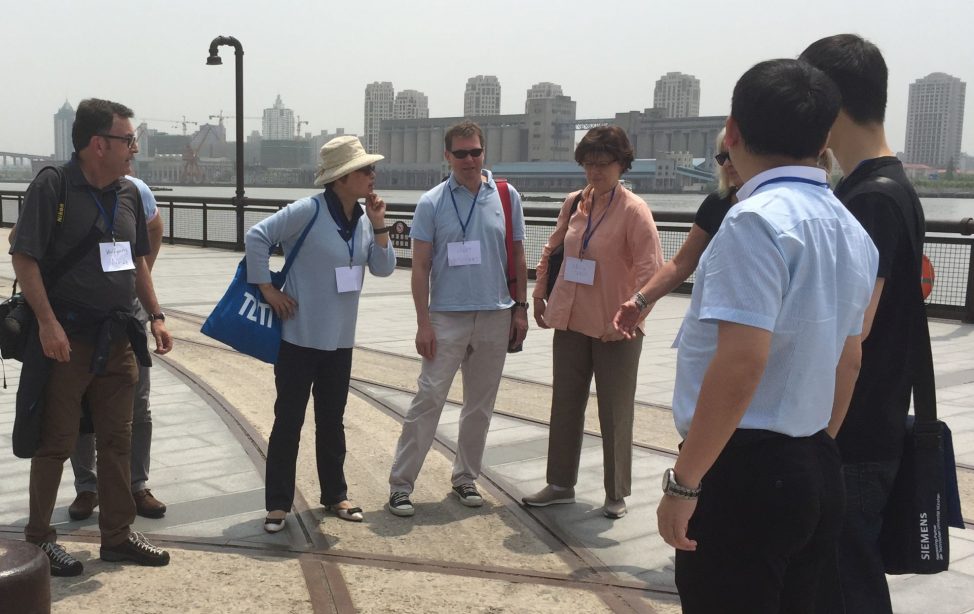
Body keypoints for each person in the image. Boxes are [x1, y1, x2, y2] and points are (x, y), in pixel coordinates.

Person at [655, 60, 878, 613]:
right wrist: (813, 452)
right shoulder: (851, 229)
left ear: (732, 132)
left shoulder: (753, 221)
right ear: (824, 137)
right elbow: (849, 358)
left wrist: (684, 484)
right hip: (815, 461)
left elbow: (740, 364)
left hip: (744, 472)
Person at [11, 98, 174, 576]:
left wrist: (157, 314)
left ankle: (118, 537)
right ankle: (39, 539)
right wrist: (46, 323)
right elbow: (24, 257)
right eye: (128, 140)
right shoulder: (53, 186)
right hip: (68, 340)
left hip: (119, 336)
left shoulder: (127, 193)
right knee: (56, 442)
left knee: (118, 440)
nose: (135, 149)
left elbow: (138, 259)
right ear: (98, 144)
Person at [801, 34, 927, 614]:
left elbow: (852, 333)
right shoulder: (890, 187)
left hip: (850, 438)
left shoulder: (869, 200)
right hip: (871, 425)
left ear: (828, 105)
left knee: (846, 587)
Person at [245, 136, 396, 532]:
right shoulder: (307, 211)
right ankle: (278, 504)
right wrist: (266, 288)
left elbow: (383, 269)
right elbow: (257, 236)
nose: (372, 175)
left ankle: (335, 495)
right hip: (299, 337)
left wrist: (380, 226)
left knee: (333, 421)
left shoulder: (364, 221)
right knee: (288, 421)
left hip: (340, 340)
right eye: (365, 169)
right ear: (342, 178)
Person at [387, 120, 528, 517]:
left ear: (484, 152)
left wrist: (521, 308)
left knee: (480, 405)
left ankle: (466, 478)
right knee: (428, 398)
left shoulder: (505, 196)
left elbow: (517, 256)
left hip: (495, 313)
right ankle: (401, 484)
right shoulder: (431, 202)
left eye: (475, 151)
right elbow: (419, 268)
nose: (469, 159)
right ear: (446, 156)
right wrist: (423, 322)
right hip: (446, 317)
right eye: (461, 153)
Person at [520, 126, 662, 519]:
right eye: (588, 163)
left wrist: (634, 314)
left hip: (615, 325)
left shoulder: (634, 210)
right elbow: (552, 248)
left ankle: (616, 493)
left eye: (603, 164)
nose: (595, 171)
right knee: (565, 403)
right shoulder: (574, 203)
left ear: (622, 165)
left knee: (615, 411)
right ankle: (561, 483)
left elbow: (653, 270)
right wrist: (539, 294)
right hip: (570, 318)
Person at [68, 174, 167, 521]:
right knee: (81, 409)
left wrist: (146, 284)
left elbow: (154, 229)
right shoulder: (64, 187)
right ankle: (87, 486)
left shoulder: (137, 190)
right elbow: (20, 239)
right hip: (80, 318)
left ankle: (137, 484)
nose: (132, 150)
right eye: (126, 142)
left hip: (127, 316)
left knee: (138, 404)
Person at [613, 129, 741, 336]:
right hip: (712, 315)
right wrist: (639, 300)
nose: (727, 164)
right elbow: (681, 263)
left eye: (734, 154)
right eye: (722, 157)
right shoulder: (716, 203)